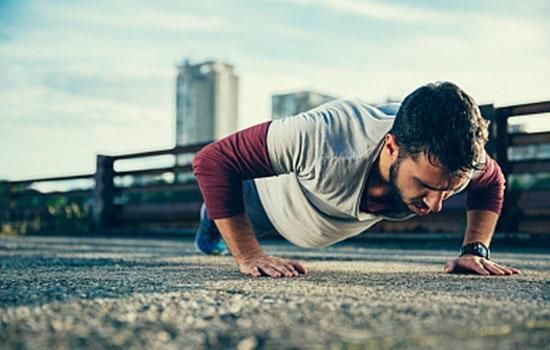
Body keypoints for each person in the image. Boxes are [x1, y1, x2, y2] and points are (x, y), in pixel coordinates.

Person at [192, 82, 521, 278]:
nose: (435, 205)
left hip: (327, 222)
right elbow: (213, 160)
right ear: (392, 147)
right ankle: (211, 221)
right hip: (271, 203)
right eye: (426, 186)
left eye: (450, 191)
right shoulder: (323, 135)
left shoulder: (457, 159)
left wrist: (475, 249)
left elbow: (492, 183)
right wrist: (249, 255)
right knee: (223, 216)